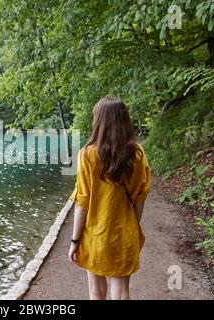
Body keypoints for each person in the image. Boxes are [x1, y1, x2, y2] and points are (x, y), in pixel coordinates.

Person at [68, 96, 151, 300]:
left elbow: (82, 203)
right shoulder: (138, 154)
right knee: (121, 293)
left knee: (96, 292)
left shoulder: (87, 155)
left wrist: (74, 240)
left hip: (96, 234)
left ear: (99, 122)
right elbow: (140, 198)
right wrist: (132, 225)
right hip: (124, 233)